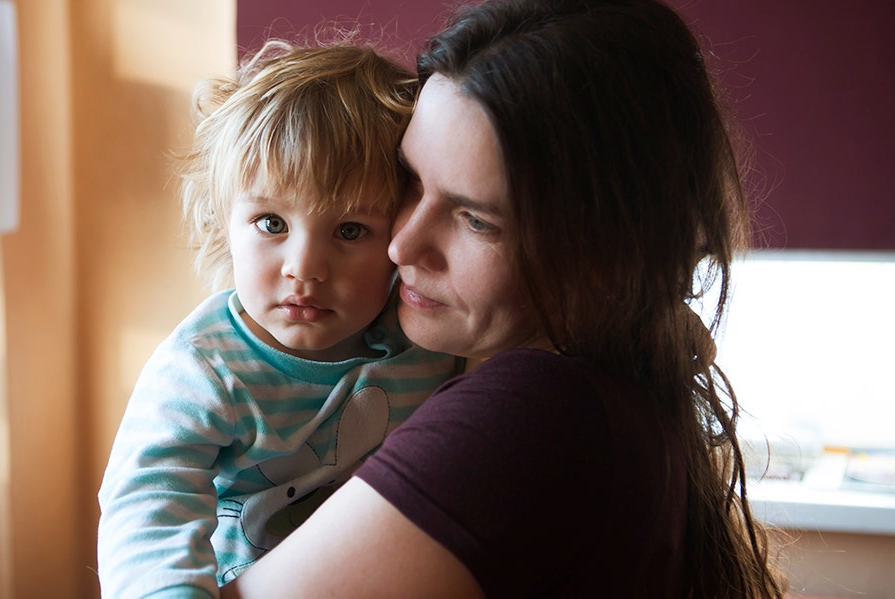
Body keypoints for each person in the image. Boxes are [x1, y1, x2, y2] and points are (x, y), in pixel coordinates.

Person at [222, 0, 787, 597]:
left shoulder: (530, 415)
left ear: (605, 250)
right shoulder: (614, 398)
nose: (402, 244)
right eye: (411, 181)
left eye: (477, 220)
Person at [95, 40, 463, 598]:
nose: (305, 269)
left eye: (349, 231)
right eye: (271, 223)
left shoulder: (431, 342)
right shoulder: (206, 365)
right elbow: (149, 503)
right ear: (225, 222)